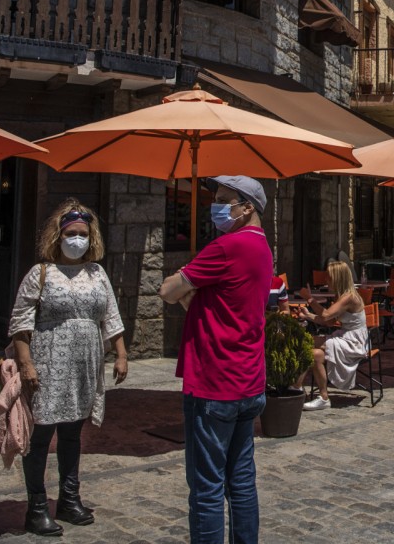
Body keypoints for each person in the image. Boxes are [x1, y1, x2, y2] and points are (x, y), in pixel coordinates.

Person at [159, 175, 272, 544]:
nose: (216, 206)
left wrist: (183, 282)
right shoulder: (261, 247)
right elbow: (224, 304)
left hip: (214, 382)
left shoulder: (227, 246)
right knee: (240, 481)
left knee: (206, 487)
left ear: (247, 207)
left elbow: (167, 289)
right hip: (248, 380)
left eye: (225, 199)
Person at [8, 199, 128, 536]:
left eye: (84, 235)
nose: (78, 240)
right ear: (58, 236)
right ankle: (36, 507)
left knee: (74, 432)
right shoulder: (41, 273)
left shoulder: (97, 272)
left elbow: (111, 315)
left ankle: (69, 499)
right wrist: (27, 364)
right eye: (71, 233)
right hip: (48, 362)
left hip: (86, 363)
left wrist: (120, 353)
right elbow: (20, 323)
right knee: (42, 433)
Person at [296, 261, 369, 410]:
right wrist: (308, 315)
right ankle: (323, 398)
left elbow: (326, 314)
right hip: (345, 337)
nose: (326, 280)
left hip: (354, 342)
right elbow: (329, 322)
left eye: (328, 277)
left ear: (338, 278)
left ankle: (295, 388)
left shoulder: (349, 297)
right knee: (315, 354)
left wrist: (309, 299)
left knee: (305, 340)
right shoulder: (341, 296)